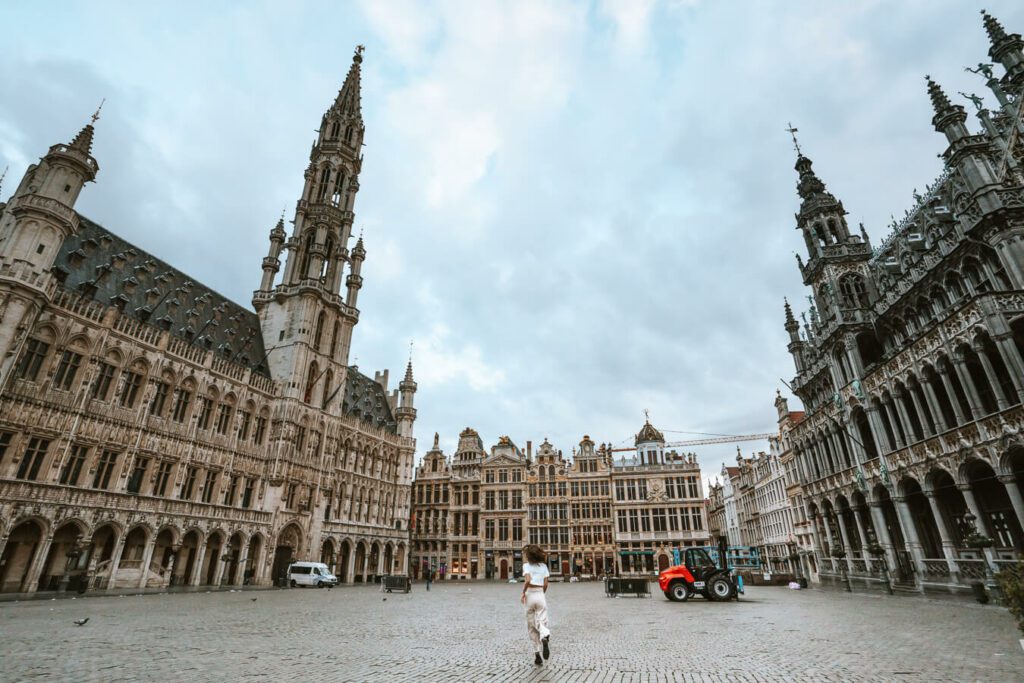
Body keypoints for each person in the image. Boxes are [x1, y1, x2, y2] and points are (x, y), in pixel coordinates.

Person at [520, 544, 551, 666]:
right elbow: (546, 584)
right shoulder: (543, 566)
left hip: (529, 595)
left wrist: (523, 592)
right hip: (540, 594)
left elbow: (527, 580)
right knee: (542, 620)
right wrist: (541, 593)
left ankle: (537, 654)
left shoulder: (526, 566)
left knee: (531, 625)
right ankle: (544, 636)